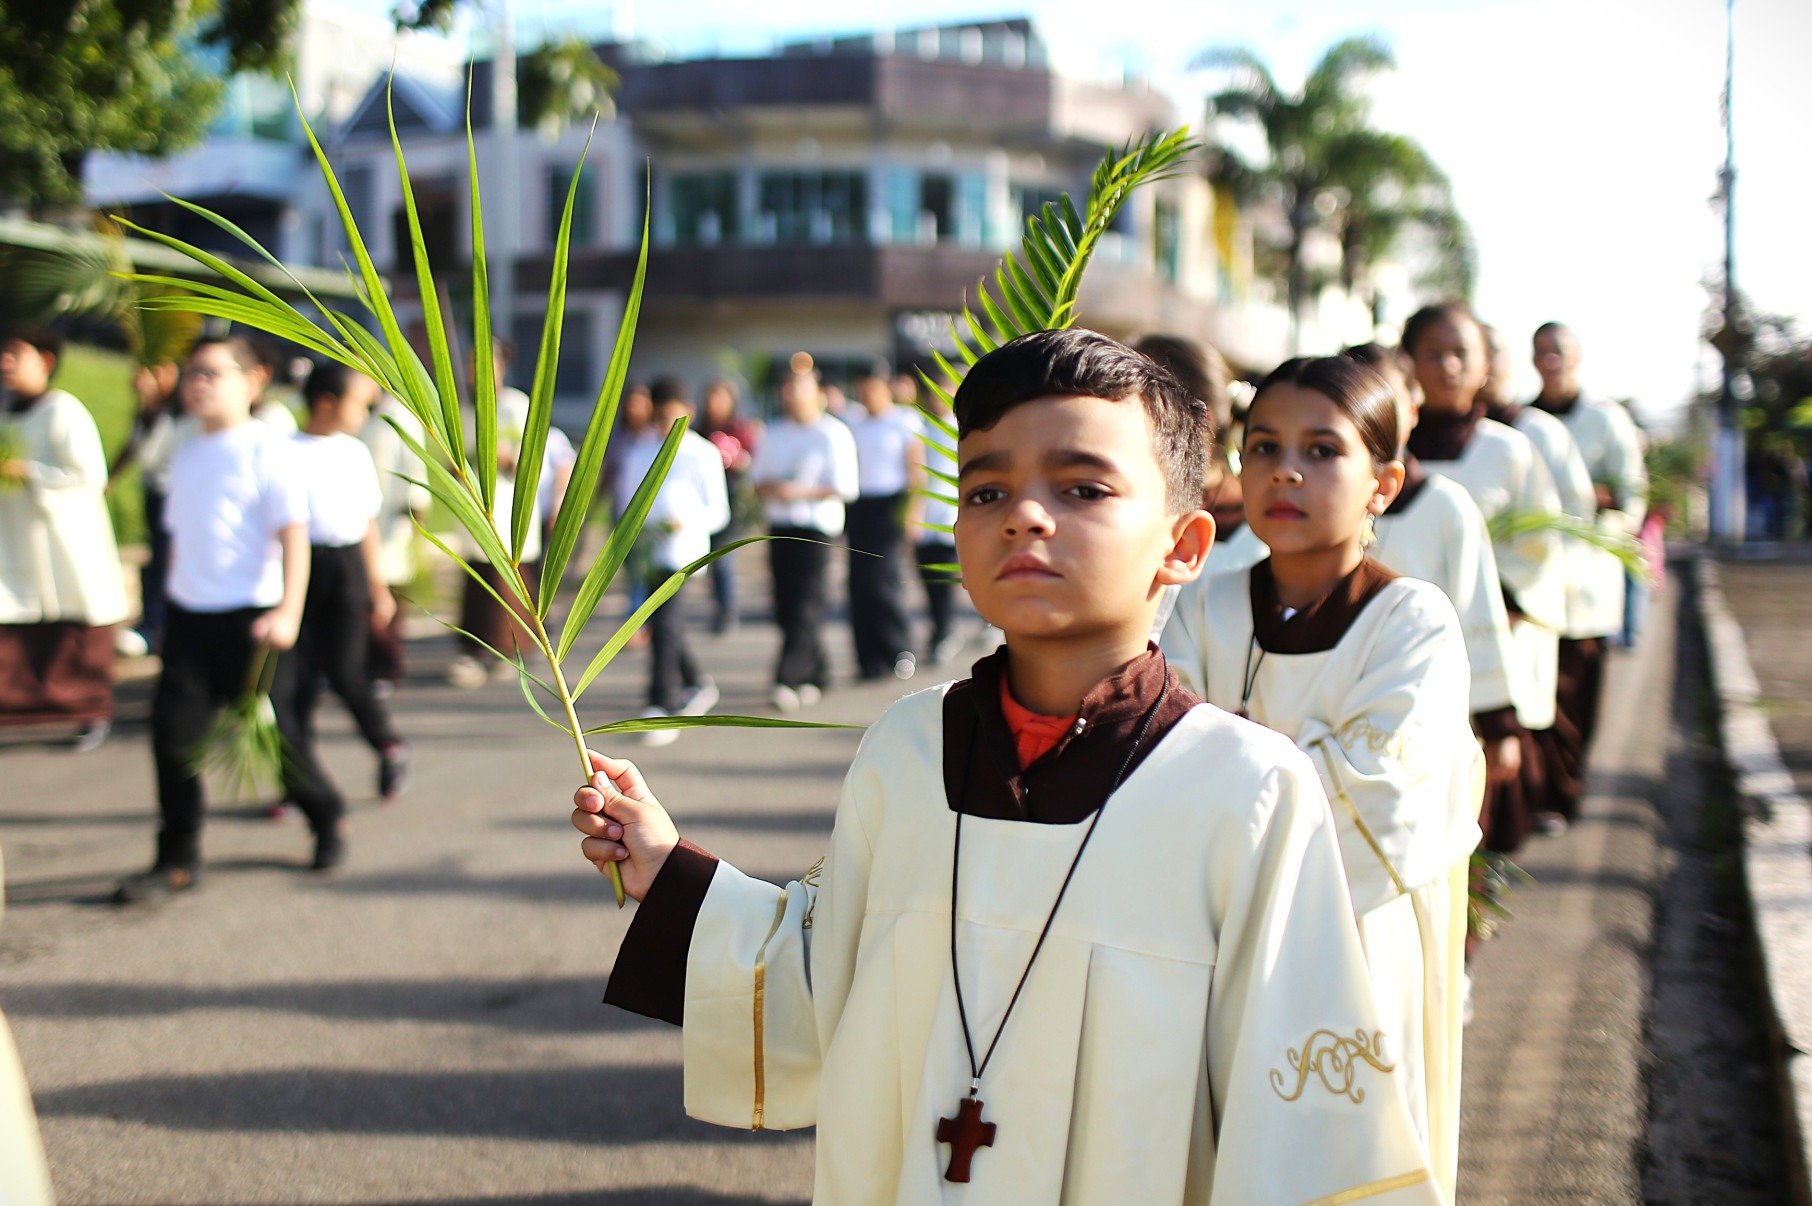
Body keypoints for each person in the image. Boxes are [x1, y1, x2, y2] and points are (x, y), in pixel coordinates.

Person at [573, 329, 1440, 1203]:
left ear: (1183, 545)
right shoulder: (906, 750)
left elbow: (1298, 1123)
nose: (1025, 514)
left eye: (1082, 487)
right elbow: (826, 968)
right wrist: (670, 873)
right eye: (987, 488)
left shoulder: (1248, 792)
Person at [1160, 355, 1481, 1197]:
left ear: (1384, 482)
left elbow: (1375, 794)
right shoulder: (1205, 606)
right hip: (1220, 933)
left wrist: (1224, 788)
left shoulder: (1412, 623)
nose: (1285, 470)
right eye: (1262, 447)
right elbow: (1156, 768)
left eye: (1322, 450)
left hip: (1355, 932)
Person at [114, 336, 327, 903]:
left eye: (213, 372)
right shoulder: (183, 446)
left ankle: (325, 812)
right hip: (189, 621)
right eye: (192, 373)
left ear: (254, 380)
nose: (198, 382)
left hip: (255, 621)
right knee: (172, 737)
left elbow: (294, 537)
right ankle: (177, 858)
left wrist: (287, 611)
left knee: (277, 739)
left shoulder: (269, 448)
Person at [1403, 303, 1567, 853]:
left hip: (1490, 638)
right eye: (1433, 353)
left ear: (1483, 366)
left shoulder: (1508, 449)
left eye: (1460, 354)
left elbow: (1542, 541)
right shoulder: (1381, 456)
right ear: (1409, 363)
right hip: (1401, 652)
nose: (1448, 366)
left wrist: (1507, 601)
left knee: (1480, 801)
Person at [1352, 342, 1524, 856]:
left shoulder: (1447, 505)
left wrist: (1499, 724)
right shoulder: (1321, 503)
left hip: (1429, 720)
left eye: (1388, 398)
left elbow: (1478, 611)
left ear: (1412, 408)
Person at [1480, 323, 1600, 835]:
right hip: (1470, 605)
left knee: (1543, 711)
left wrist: (1513, 590)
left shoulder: (1536, 433)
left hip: (1533, 596)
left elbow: (1567, 515)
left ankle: (1550, 804)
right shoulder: (1429, 435)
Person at [1530, 322, 1649, 830]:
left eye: (1559, 351)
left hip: (1587, 580)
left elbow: (1631, 492)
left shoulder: (1606, 420)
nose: (1551, 359)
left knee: (1577, 695)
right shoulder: (1524, 420)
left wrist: (1600, 507)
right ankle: (1537, 796)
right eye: (1542, 351)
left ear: (1576, 357)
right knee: (1535, 692)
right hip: (1533, 577)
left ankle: (1565, 794)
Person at [0, 327, 130, 751]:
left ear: (46, 362)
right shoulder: (7, 412)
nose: (5, 363)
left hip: (65, 545)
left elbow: (89, 476)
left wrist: (30, 473)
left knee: (75, 625)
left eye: (15, 355)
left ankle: (87, 711)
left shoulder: (63, 412)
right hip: (18, 540)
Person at [291, 363, 409, 801]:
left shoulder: (353, 452)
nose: (366, 412)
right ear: (327, 402)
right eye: (360, 404)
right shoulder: (283, 450)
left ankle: (389, 745)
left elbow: (366, 524)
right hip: (297, 570)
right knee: (295, 683)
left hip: (346, 571)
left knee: (345, 672)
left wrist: (378, 588)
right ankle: (296, 781)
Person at [623, 379, 729, 747]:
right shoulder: (641, 451)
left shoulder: (702, 454)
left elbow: (718, 512)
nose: (666, 424)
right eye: (660, 416)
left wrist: (685, 521)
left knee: (666, 623)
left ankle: (662, 702)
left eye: (673, 416)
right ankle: (696, 682)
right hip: (649, 551)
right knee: (664, 624)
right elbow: (627, 502)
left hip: (684, 552)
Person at [749, 365, 858, 711]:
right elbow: (758, 482)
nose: (792, 394)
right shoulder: (774, 433)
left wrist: (799, 492)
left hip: (816, 530)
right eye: (788, 387)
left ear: (818, 392)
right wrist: (778, 490)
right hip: (780, 527)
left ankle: (788, 677)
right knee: (785, 603)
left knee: (807, 604)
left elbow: (845, 487)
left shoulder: (833, 433)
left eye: (800, 387)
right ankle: (818, 673)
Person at [447, 337, 539, 690]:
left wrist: (500, 457)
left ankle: (513, 648)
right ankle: (475, 648)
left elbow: (531, 459)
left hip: (506, 505)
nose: (474, 371)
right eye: (470, 364)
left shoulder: (516, 406)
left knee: (508, 578)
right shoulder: (467, 411)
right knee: (477, 577)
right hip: (474, 508)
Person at [843, 368, 918, 681]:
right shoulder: (853, 422)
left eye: (871, 389)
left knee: (882, 580)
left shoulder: (903, 421)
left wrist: (913, 513)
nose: (866, 396)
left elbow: (916, 470)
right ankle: (866, 657)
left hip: (891, 504)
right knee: (858, 583)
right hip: (859, 505)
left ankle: (898, 648)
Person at [359, 390, 429, 691]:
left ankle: (386, 666)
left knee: (389, 592)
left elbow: (415, 468)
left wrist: (415, 518)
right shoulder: (363, 413)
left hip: (393, 519)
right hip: (366, 519)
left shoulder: (399, 415)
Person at [904, 374, 964, 666]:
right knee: (926, 579)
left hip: (949, 516)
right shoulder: (922, 427)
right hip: (923, 516)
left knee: (945, 580)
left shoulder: (962, 430)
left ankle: (944, 632)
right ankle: (937, 630)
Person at [696, 379, 760, 634]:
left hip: (733, 501)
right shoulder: (699, 430)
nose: (714, 404)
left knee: (724, 558)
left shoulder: (739, 429)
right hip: (704, 500)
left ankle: (727, 611)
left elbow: (753, 462)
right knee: (710, 558)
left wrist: (740, 461)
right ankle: (719, 606)